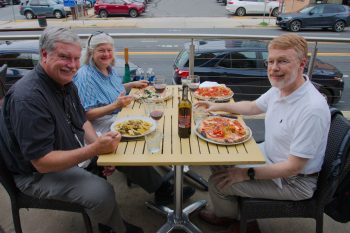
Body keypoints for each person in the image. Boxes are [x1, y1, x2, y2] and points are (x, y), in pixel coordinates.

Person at [0, 27, 143, 233]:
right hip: (34, 175)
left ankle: (156, 190)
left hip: (63, 153)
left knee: (124, 152)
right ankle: (114, 228)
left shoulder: (65, 82)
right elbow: (42, 163)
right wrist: (94, 151)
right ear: (44, 55)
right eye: (65, 57)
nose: (73, 65)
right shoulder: (28, 98)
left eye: (76, 58)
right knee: (101, 192)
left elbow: (82, 120)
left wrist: (99, 150)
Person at [195, 34, 331, 233]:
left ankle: (241, 222)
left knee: (217, 183)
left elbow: (293, 168)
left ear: (302, 64)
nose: (274, 68)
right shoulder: (281, 88)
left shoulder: (312, 109)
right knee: (217, 157)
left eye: (283, 61)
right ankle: (234, 212)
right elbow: (252, 107)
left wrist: (246, 173)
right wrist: (215, 106)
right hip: (269, 156)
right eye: (271, 61)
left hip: (294, 181)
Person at [73, 31, 195, 205]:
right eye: (101, 50)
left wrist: (131, 85)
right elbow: (84, 115)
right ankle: (162, 190)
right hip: (98, 126)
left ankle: (163, 169)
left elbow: (112, 90)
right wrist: (115, 106)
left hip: (118, 116)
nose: (106, 54)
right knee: (137, 140)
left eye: (109, 49)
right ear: (91, 52)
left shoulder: (107, 69)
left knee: (153, 123)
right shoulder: (85, 76)